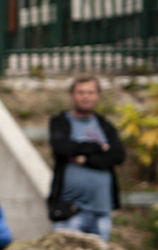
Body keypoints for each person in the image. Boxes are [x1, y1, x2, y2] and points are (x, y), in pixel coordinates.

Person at [48, 74, 126, 241]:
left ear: (97, 95)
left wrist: (85, 159)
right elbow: (62, 147)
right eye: (81, 92)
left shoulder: (105, 125)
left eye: (90, 92)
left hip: (102, 212)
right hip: (71, 211)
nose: (86, 96)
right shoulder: (60, 122)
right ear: (72, 95)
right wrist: (97, 147)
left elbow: (117, 156)